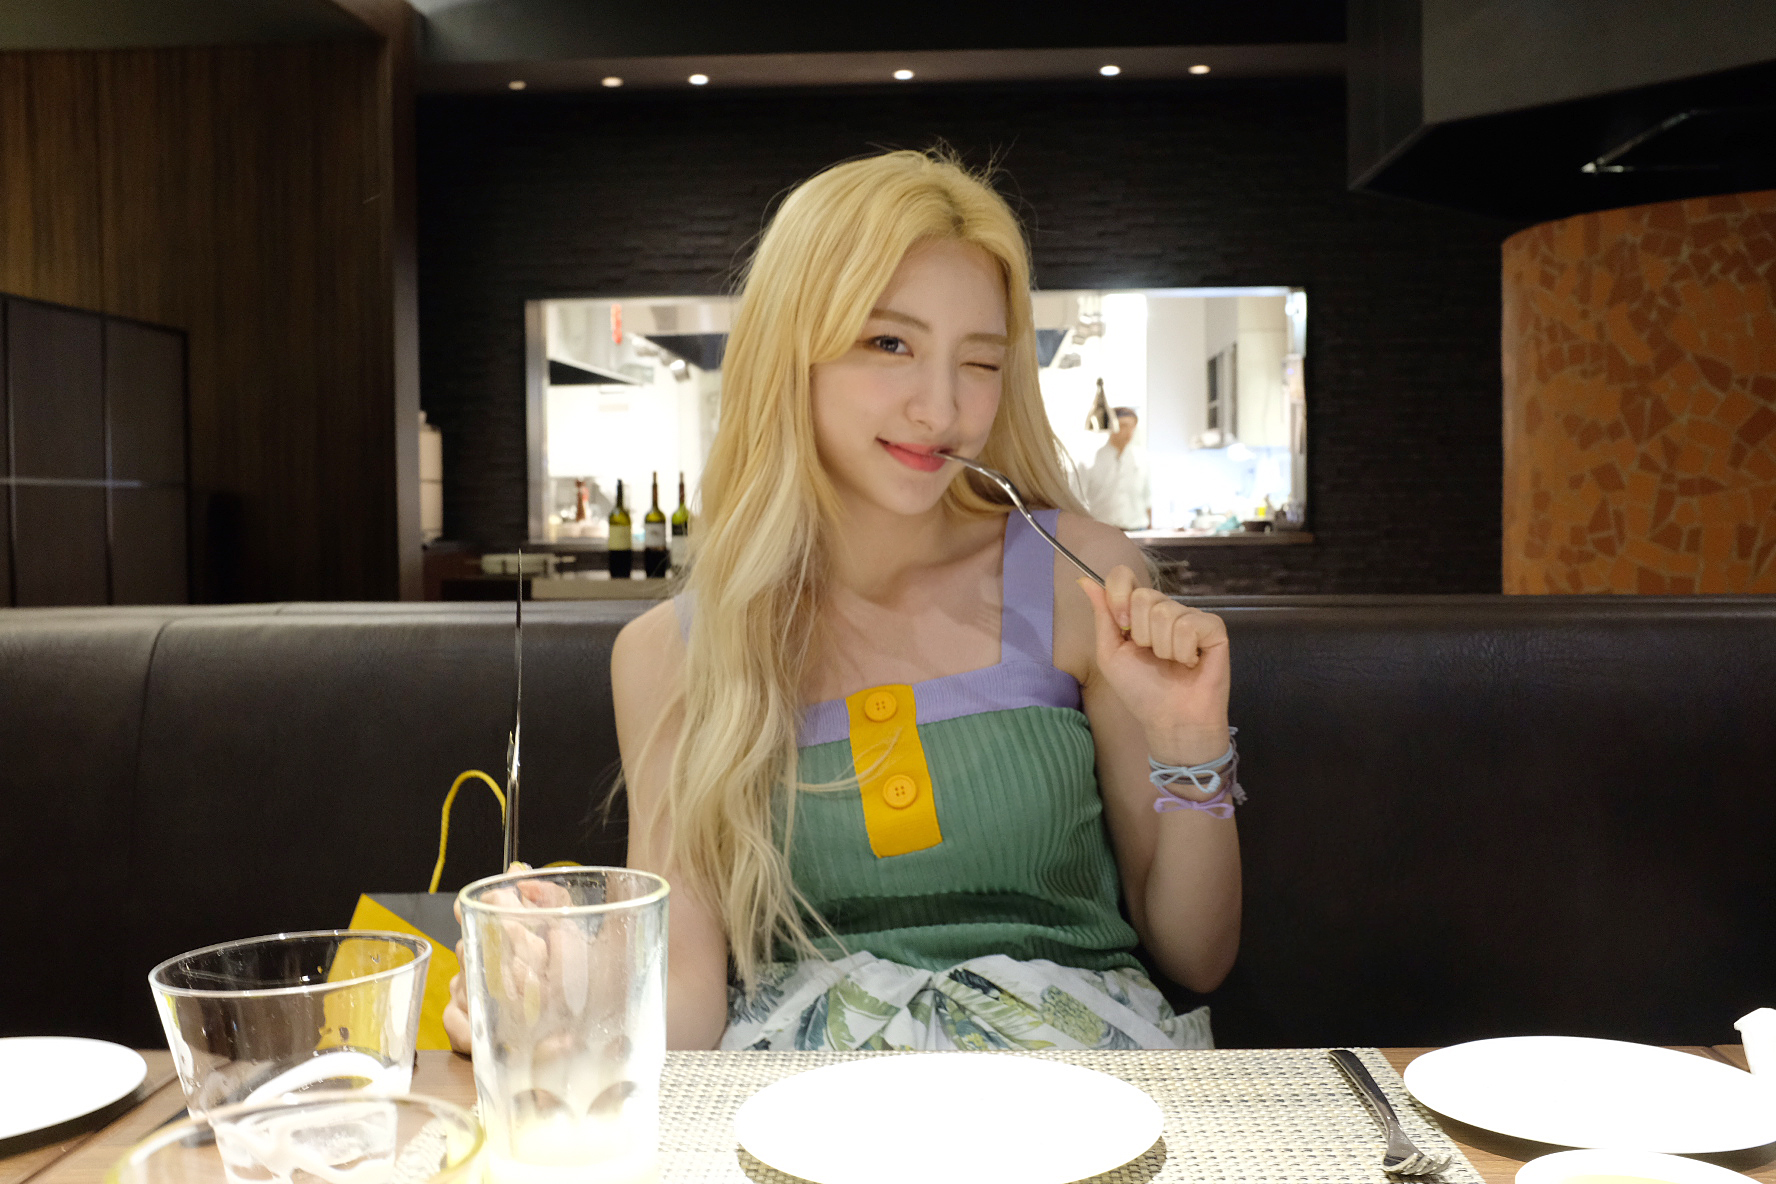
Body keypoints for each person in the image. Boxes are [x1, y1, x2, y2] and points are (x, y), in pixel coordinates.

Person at [444, 150, 1239, 1054]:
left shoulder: (1080, 577)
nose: (941, 409)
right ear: (792, 352)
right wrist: (562, 1004)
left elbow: (1198, 954)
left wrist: (1191, 746)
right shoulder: (674, 652)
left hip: (1083, 1086)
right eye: (889, 344)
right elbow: (689, 996)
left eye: (980, 361)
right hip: (801, 1101)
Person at [1084, 405, 1152, 531]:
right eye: (1124, 426)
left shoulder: (1142, 459)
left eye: (1132, 427)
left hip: (1137, 529)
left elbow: (1147, 498)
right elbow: (1080, 500)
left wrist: (1150, 529)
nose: (1129, 432)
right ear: (1112, 427)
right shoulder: (1091, 460)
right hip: (1103, 531)